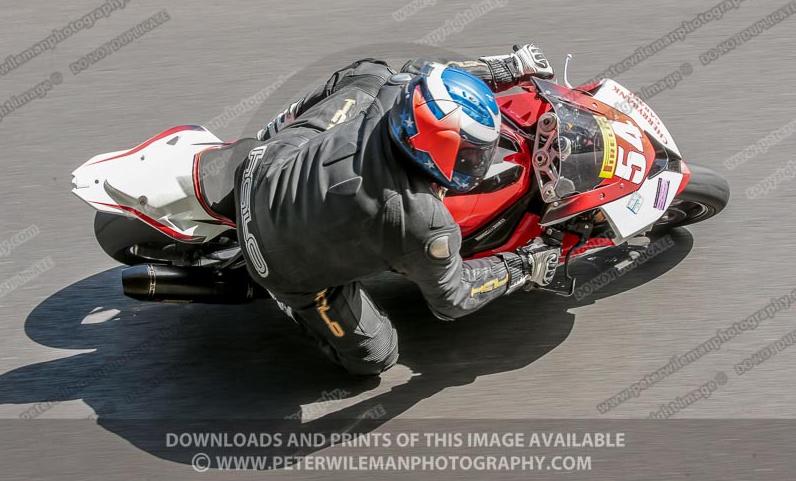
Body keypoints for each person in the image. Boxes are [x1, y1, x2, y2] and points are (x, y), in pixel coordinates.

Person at [235, 44, 562, 376]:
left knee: (369, 72)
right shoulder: (422, 220)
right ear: (437, 148)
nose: (480, 160)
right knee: (377, 356)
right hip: (275, 261)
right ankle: (291, 302)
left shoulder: (398, 90)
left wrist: (506, 67)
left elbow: (429, 72)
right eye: (472, 153)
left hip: (262, 164)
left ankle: (272, 130)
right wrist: (522, 266)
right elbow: (453, 299)